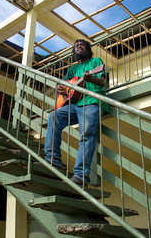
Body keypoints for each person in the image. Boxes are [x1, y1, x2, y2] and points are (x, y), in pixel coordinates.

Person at [44, 39, 109, 186]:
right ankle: (52, 160)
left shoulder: (95, 61)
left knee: (86, 135)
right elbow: (63, 83)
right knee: (54, 116)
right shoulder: (73, 69)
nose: (79, 47)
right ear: (74, 52)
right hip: (75, 104)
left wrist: (91, 78)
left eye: (82, 45)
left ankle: (80, 175)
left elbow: (102, 81)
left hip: (92, 101)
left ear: (88, 49)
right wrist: (60, 87)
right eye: (76, 46)